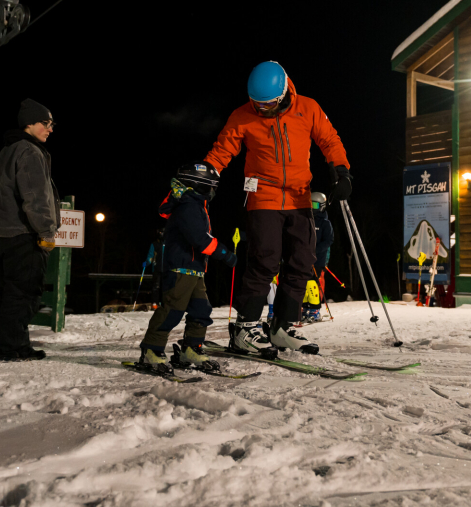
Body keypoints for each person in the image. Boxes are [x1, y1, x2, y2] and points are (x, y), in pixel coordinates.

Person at [204, 61, 351, 356]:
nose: (262, 110)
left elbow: (329, 139)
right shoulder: (242, 115)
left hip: (299, 197)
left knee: (302, 260)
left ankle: (281, 327)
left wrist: (342, 170)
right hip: (263, 195)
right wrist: (208, 173)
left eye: (268, 105)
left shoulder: (307, 108)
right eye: (257, 105)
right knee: (265, 259)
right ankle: (245, 328)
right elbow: (223, 149)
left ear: (284, 93)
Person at [138, 163, 237, 373]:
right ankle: (151, 350)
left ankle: (191, 348)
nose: (213, 192)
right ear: (199, 185)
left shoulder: (196, 204)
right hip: (180, 268)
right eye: (211, 187)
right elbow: (199, 239)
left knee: (201, 311)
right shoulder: (188, 206)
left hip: (195, 269)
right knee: (172, 310)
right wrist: (225, 254)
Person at [0, 99, 60, 361]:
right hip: (23, 234)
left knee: (6, 292)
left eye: (52, 125)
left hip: (2, 234)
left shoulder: (6, 151)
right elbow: (35, 197)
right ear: (30, 123)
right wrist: (47, 231)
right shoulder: (29, 151)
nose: (50, 129)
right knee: (25, 293)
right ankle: (12, 348)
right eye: (46, 123)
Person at [302, 192, 333, 322]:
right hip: (304, 258)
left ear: (321, 206)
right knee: (303, 282)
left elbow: (329, 240)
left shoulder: (325, 223)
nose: (312, 208)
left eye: (315, 205)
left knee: (312, 282)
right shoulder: (306, 220)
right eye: (311, 204)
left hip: (317, 259)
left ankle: (315, 309)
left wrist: (315, 250)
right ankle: (305, 307)